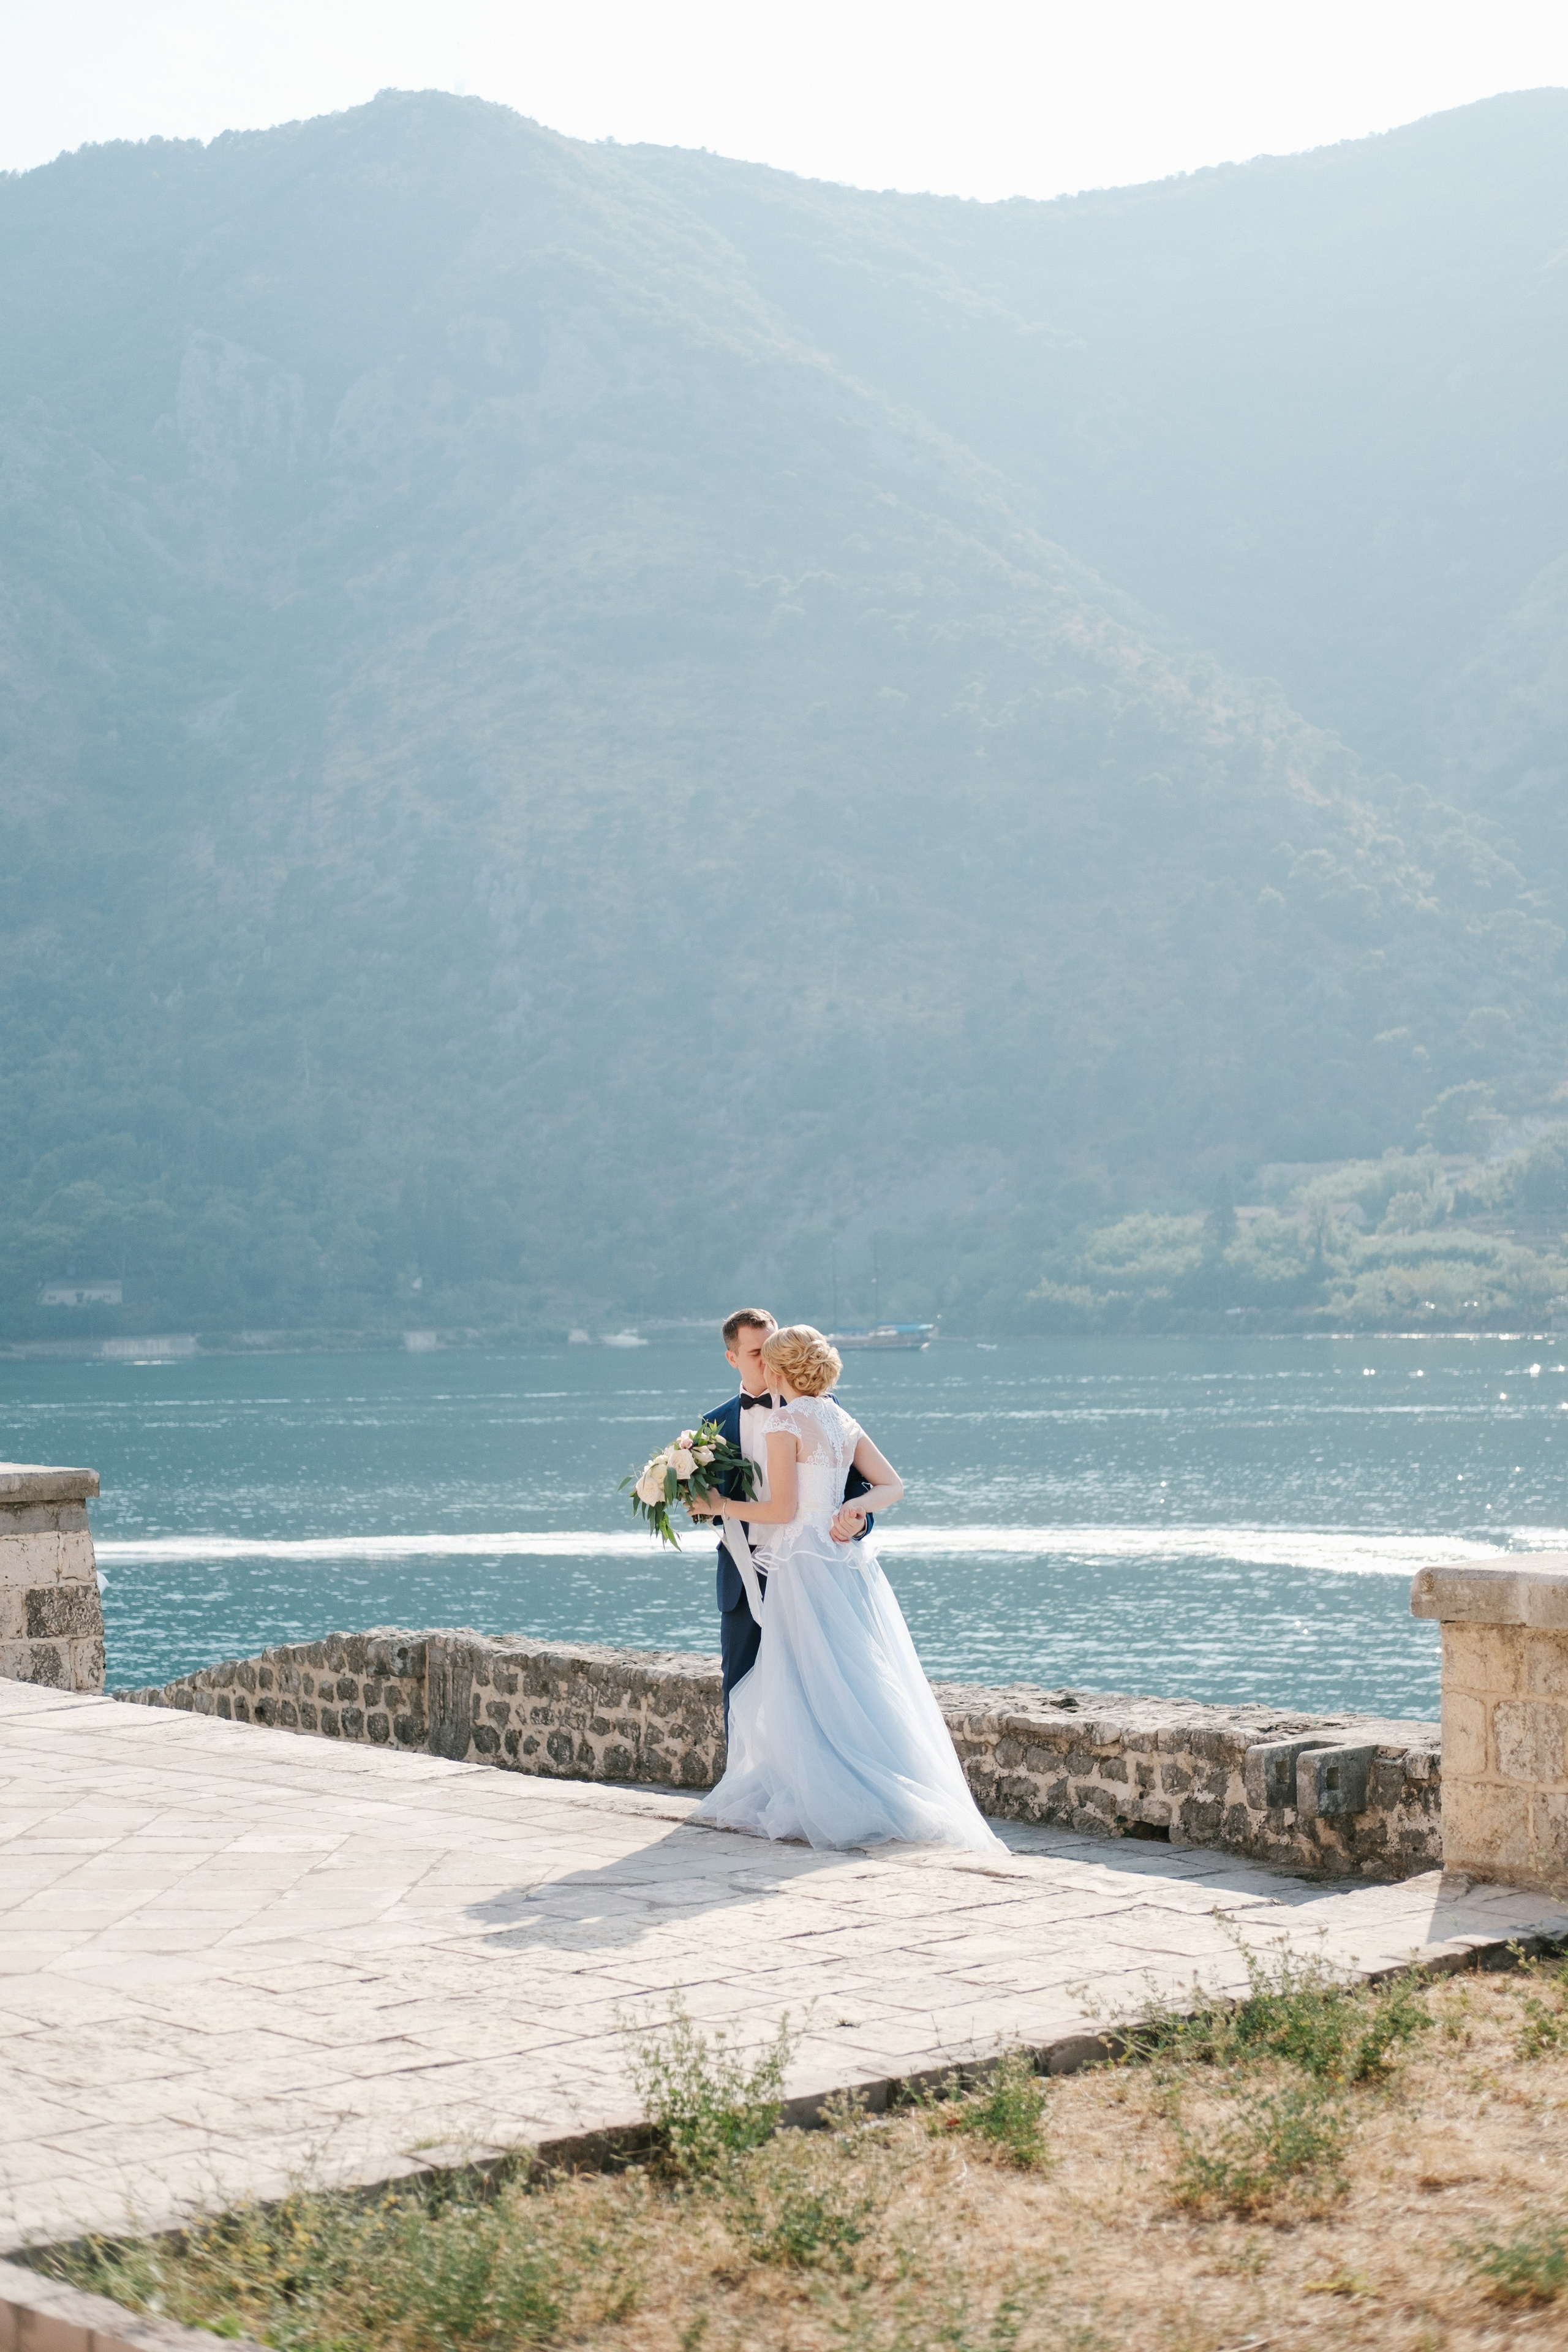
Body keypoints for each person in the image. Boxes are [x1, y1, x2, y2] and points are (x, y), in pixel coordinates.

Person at [690, 1322, 1005, 1855]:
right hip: (841, 1563)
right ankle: (869, 1785)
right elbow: (894, 1486)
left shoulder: (786, 1421)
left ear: (779, 1369)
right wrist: (854, 1508)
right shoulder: (839, 1418)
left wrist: (717, 1506)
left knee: (802, 1676)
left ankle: (820, 1795)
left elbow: (781, 1510)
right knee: (850, 1674)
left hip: (797, 1563)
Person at [702, 1306, 874, 1724]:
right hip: (745, 1573)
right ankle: (745, 1785)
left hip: (811, 1566)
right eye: (759, 1352)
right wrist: (696, 1502)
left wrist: (858, 1522)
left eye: (777, 1346)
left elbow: (855, 1490)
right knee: (741, 1688)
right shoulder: (714, 1424)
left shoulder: (824, 1410)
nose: (771, 1360)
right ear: (733, 1358)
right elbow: (710, 1503)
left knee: (820, 1687)